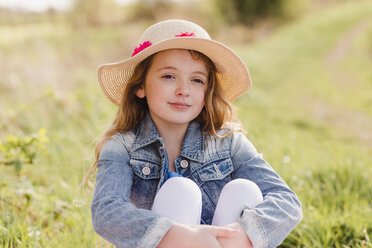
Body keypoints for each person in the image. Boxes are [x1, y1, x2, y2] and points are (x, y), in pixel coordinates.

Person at [86, 19, 302, 248]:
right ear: (140, 86)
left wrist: (236, 234)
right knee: (181, 190)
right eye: (169, 76)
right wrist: (182, 236)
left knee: (245, 190)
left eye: (197, 80)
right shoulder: (122, 146)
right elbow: (106, 211)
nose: (183, 91)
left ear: (207, 91)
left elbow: (286, 201)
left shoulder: (228, 141)